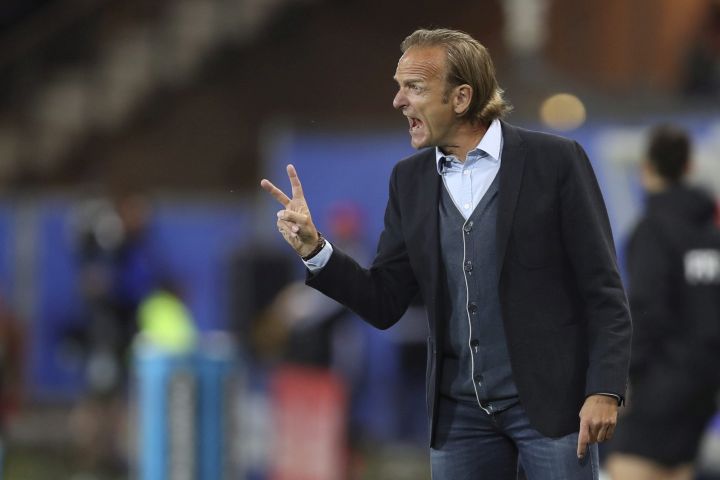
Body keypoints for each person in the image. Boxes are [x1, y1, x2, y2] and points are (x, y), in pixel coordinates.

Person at [260, 28, 632, 479]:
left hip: (551, 410)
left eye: (414, 87)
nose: (398, 101)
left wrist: (605, 390)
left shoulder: (556, 162)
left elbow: (604, 291)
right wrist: (316, 251)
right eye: (398, 87)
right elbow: (383, 301)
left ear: (461, 98)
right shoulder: (409, 181)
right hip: (460, 419)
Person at [605, 125, 720, 480]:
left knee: (626, 464)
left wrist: (623, 381)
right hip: (705, 384)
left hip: (662, 382)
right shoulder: (710, 235)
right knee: (676, 470)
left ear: (647, 169)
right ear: (688, 168)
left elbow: (647, 310)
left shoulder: (653, 230)